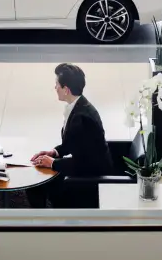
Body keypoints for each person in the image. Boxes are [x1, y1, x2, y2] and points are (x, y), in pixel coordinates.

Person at [27, 63, 113, 208]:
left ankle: (42, 220)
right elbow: (76, 144)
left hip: (88, 179)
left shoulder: (82, 119)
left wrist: (53, 163)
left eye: (57, 85)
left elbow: (84, 163)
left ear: (66, 90)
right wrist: (55, 152)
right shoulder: (79, 106)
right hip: (86, 167)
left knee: (34, 182)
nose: (55, 88)